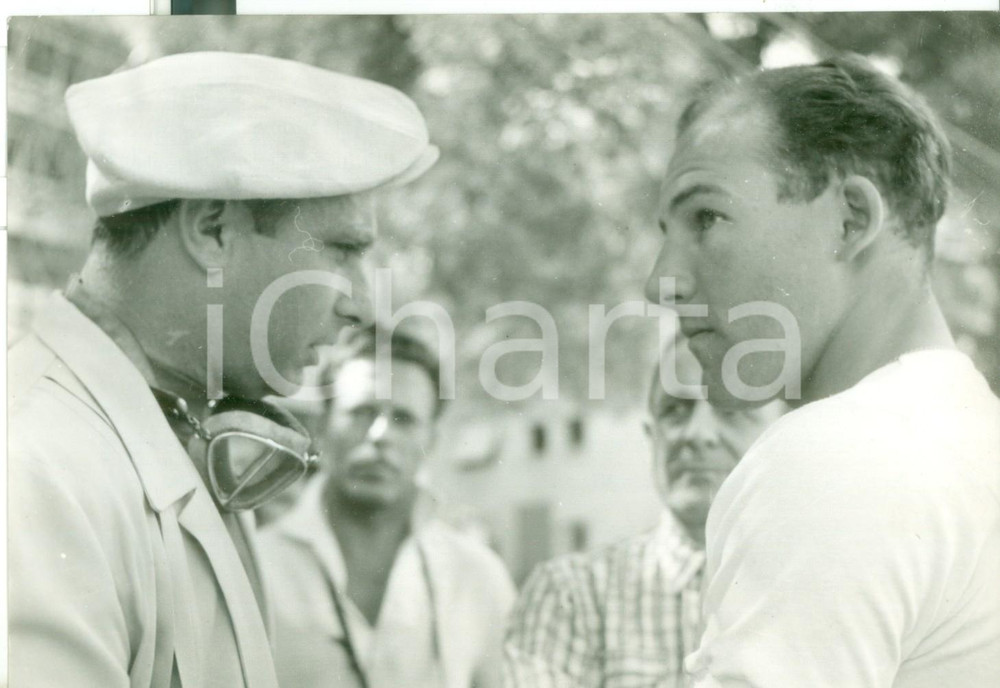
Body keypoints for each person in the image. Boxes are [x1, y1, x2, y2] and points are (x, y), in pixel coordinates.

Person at [8, 51, 437, 688]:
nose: (359, 303)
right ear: (213, 229)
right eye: (343, 251)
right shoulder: (35, 468)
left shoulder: (178, 426)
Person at [645, 55, 1000, 687]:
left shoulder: (832, 458)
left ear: (851, 220)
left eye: (707, 218)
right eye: (666, 231)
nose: (661, 282)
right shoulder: (973, 435)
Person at [503, 333, 785, 687]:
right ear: (651, 435)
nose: (698, 433)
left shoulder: (816, 589)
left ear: (782, 435)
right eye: (675, 411)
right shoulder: (571, 597)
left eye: (730, 410)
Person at [258, 325, 517, 688]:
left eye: (404, 418)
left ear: (431, 439)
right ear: (321, 427)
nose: (380, 435)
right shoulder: (256, 568)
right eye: (362, 412)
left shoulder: (477, 578)